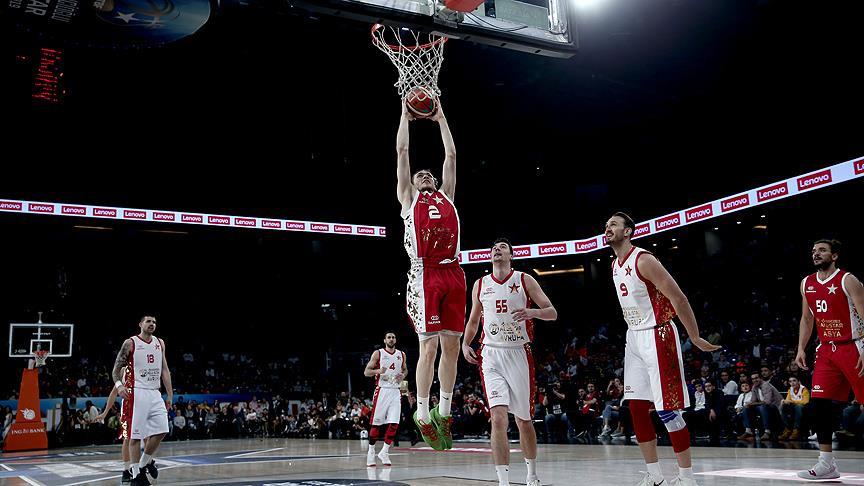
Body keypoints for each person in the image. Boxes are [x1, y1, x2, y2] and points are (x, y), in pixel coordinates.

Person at [605, 212, 721, 486]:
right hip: (633, 337)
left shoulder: (644, 260)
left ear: (628, 231)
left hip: (658, 335)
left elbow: (678, 297)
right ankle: (655, 475)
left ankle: (687, 477)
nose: (608, 228)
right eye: (607, 224)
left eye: (614, 224)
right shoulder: (613, 265)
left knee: (667, 409)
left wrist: (694, 336)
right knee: (635, 407)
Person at [396, 100, 464, 450]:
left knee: (451, 347)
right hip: (424, 276)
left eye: (427, 174)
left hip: (453, 273)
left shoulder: (446, 196)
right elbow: (403, 150)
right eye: (418, 174)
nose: (422, 175)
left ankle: (445, 409)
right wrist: (405, 117)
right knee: (430, 347)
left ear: (435, 181)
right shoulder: (408, 199)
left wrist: (441, 117)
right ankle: (422, 412)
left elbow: (451, 156)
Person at [462, 237, 557, 486]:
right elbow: (473, 321)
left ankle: (531, 474)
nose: (496, 250)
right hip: (491, 354)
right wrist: (465, 343)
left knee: (524, 420)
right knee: (498, 417)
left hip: (518, 353)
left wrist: (531, 312)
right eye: (493, 248)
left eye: (502, 248)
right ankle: (503, 481)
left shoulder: (525, 280)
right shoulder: (480, 284)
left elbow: (552, 312)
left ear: (511, 255)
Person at [793, 240, 864, 480]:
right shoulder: (807, 283)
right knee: (820, 406)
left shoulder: (848, 280)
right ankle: (827, 464)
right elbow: (806, 319)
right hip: (826, 350)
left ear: (834, 256)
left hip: (854, 346)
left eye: (822, 250)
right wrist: (801, 348)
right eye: (813, 250)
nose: (816, 253)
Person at [112, 316, 173, 485]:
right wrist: (119, 386)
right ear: (140, 324)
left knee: (162, 430)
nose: (152, 324)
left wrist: (169, 394)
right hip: (137, 392)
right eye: (148, 321)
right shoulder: (130, 343)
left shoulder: (160, 343)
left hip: (155, 392)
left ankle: (144, 463)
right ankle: (136, 476)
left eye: (154, 322)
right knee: (134, 437)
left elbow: (165, 370)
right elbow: (115, 370)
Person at [364, 332, 407, 467]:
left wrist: (403, 376)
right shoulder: (378, 353)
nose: (391, 339)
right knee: (376, 424)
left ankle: (384, 451)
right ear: (384, 340)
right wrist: (378, 371)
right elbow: (366, 372)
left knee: (394, 423)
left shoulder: (402, 354)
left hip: (396, 391)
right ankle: (371, 452)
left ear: (396, 339)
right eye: (389, 337)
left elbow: (405, 370)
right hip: (382, 390)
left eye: (393, 337)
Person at [779, 375, 809, 441]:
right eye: (790, 381)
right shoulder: (790, 389)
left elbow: (805, 401)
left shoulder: (804, 389)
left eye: (794, 380)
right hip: (793, 408)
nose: (792, 383)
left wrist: (792, 402)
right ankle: (787, 429)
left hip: (803, 408)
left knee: (799, 407)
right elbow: (787, 400)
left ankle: (796, 430)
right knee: (784, 406)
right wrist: (784, 402)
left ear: (798, 381)